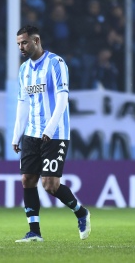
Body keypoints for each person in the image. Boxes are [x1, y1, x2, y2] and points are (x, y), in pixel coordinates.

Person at [12, 25, 91, 242]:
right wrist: (16, 134)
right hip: (32, 133)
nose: (21, 47)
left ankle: (81, 212)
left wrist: (49, 128)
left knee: (50, 185)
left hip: (55, 133)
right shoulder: (24, 70)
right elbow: (23, 103)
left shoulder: (56, 63)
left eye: (24, 42)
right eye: (18, 43)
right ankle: (34, 232)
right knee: (27, 179)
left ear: (36, 41)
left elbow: (63, 99)